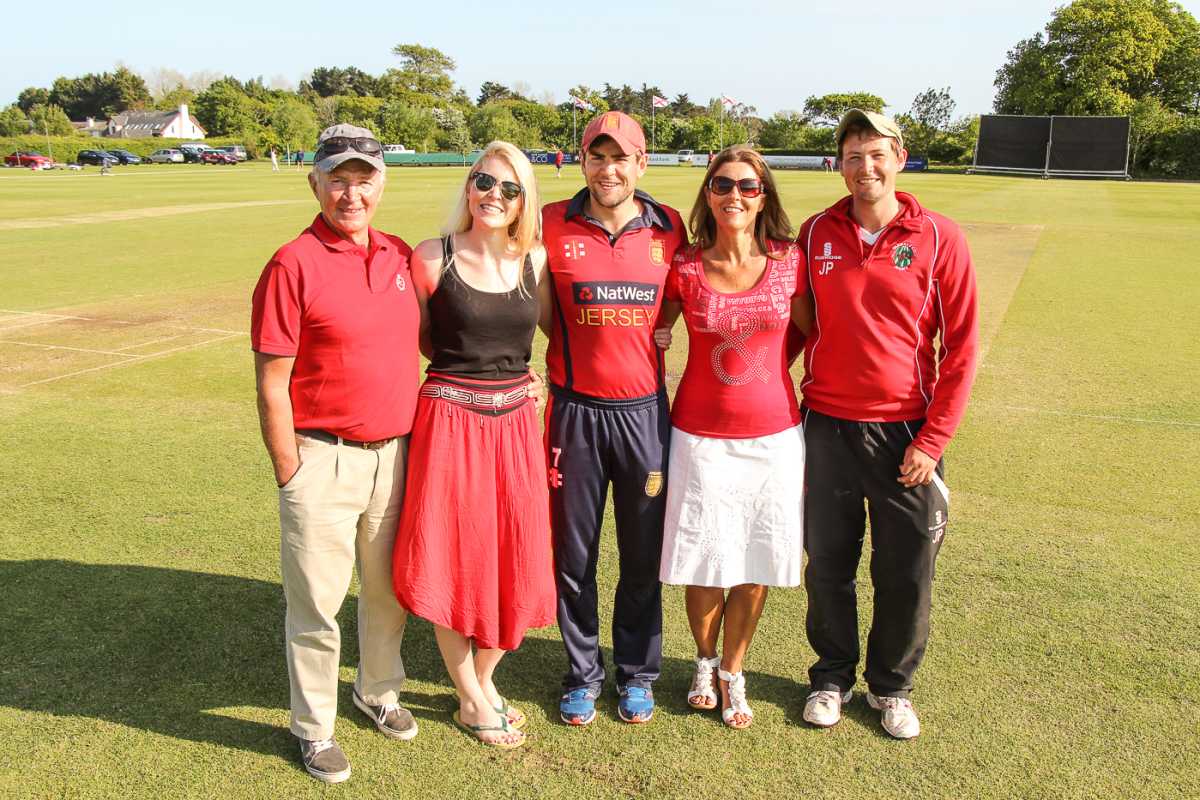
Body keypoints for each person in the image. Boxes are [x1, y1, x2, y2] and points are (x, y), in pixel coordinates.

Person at [796, 110, 978, 739]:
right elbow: (794, 325)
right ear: (838, 164)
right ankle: (831, 678)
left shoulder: (938, 235)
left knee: (904, 571)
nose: (864, 167)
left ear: (899, 155)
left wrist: (933, 440)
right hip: (825, 426)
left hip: (905, 435)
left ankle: (892, 688)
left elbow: (961, 348)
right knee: (827, 565)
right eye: (852, 156)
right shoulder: (816, 231)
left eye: (875, 154)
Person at [251, 124, 419, 783]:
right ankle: (314, 728)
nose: (352, 193)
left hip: (396, 456)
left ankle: (376, 691)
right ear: (315, 182)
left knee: (387, 592)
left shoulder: (401, 255)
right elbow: (271, 381)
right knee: (318, 603)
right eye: (339, 179)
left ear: (383, 182)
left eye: (364, 178)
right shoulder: (292, 262)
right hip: (322, 457)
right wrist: (290, 470)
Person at [392, 141, 555, 749]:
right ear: (469, 185)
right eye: (485, 182)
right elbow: (418, 339)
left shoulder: (534, 260)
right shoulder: (431, 257)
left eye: (510, 189)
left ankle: (481, 684)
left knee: (515, 553)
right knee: (453, 554)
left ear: (524, 202)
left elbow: (556, 338)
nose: (495, 196)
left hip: (516, 429)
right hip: (449, 424)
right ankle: (469, 696)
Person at [652, 146, 812, 729]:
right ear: (708, 195)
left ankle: (734, 670)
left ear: (763, 195)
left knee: (754, 559)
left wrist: (768, 370)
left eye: (747, 186)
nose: (735, 196)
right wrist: (664, 339)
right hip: (698, 435)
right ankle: (703, 659)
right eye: (722, 185)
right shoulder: (685, 265)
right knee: (703, 557)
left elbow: (808, 334)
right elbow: (653, 331)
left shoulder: (791, 261)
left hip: (773, 437)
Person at [540, 111, 686, 726]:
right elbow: (543, 309)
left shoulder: (669, 227)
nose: (609, 168)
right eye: (598, 157)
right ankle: (582, 673)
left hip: (644, 416)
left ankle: (637, 672)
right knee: (574, 556)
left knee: (642, 553)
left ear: (641, 163)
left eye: (621, 157)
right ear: (583, 162)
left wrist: (649, 340)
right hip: (573, 411)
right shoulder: (549, 221)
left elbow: (675, 304)